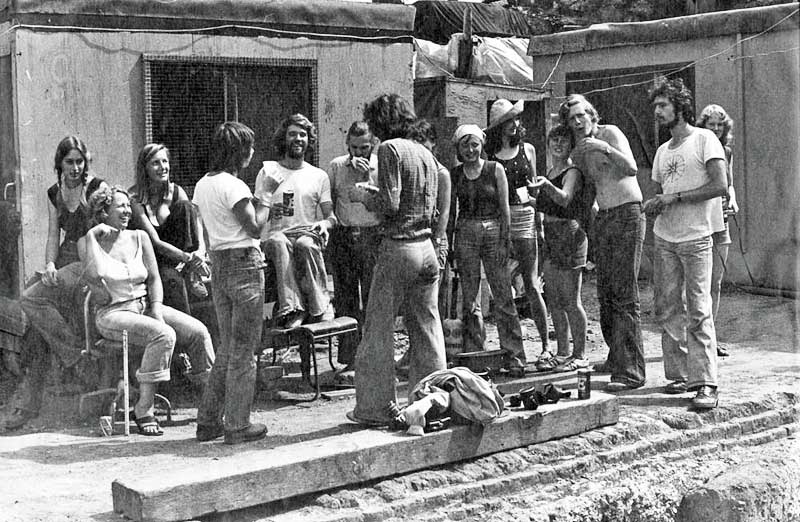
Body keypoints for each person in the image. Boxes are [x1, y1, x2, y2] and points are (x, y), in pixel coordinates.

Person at [79, 186, 215, 435]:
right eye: (120, 206)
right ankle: (144, 408)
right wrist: (92, 237)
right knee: (163, 335)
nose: (127, 211)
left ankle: (213, 405)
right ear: (103, 211)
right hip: (112, 313)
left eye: (128, 206)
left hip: (145, 307)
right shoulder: (88, 242)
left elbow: (153, 279)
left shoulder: (139, 237)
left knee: (199, 332)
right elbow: (95, 276)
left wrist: (156, 308)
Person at [349, 93, 445, 426]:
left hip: (399, 247)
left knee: (378, 330)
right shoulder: (426, 154)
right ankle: (433, 401)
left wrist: (364, 195)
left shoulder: (390, 148)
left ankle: (374, 408)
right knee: (428, 329)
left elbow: (389, 203)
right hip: (427, 248)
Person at [2, 137, 107, 430]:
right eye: (69, 162)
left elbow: (102, 235)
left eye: (79, 161)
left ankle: (30, 402)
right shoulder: (54, 193)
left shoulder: (97, 188)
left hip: (89, 261)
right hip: (64, 261)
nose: (75, 168)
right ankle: (75, 357)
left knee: (32, 303)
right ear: (59, 163)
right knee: (32, 305)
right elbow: (52, 236)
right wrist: (49, 265)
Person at [643, 77, 727, 410]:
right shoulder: (663, 151)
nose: (657, 112)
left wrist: (674, 198)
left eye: (662, 105)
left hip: (696, 238)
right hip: (665, 238)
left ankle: (706, 382)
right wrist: (656, 205)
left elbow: (720, 185)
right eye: (655, 107)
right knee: (667, 309)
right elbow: (661, 192)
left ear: (680, 107)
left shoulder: (705, 139)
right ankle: (679, 376)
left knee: (699, 310)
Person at [559, 94, 646, 390]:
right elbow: (588, 191)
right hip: (605, 219)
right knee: (605, 294)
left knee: (624, 295)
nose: (578, 122)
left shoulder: (609, 133)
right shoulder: (579, 152)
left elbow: (631, 168)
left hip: (628, 214)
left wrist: (603, 147)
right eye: (572, 119)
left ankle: (631, 371)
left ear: (592, 115)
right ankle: (616, 357)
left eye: (582, 115)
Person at [193, 121, 270, 444]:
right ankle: (237, 425)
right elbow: (254, 228)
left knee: (227, 349)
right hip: (244, 265)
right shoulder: (235, 186)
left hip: (220, 265)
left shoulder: (202, 185)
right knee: (243, 351)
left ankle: (208, 421)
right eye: (248, 147)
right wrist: (265, 200)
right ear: (240, 152)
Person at [448, 124, 526, 376]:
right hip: (466, 231)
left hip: (493, 230)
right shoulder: (455, 174)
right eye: (465, 145)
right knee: (470, 298)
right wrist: (449, 244)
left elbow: (505, 208)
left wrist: (506, 240)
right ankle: (475, 355)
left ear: (481, 145)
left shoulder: (495, 169)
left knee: (503, 294)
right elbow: (451, 212)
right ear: (458, 148)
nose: (470, 150)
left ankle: (514, 354)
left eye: (474, 145)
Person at [255, 114, 336, 329]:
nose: (298, 139)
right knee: (279, 242)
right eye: (292, 134)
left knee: (305, 244)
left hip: (306, 232)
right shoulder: (268, 171)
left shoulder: (318, 175)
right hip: (277, 236)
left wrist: (324, 224)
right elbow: (258, 214)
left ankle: (321, 306)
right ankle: (293, 310)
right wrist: (269, 208)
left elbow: (331, 217)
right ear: (284, 138)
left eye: (303, 135)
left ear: (309, 140)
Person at [484, 99, 550, 360]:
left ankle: (545, 345)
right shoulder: (489, 156)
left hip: (525, 216)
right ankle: (513, 350)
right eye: (507, 121)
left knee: (532, 284)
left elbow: (534, 188)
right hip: (500, 219)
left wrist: (540, 222)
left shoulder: (528, 150)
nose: (513, 125)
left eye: (515, 120)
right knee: (502, 288)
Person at [534, 124, 593, 373]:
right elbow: (548, 206)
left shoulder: (572, 171)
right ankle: (562, 352)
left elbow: (565, 198)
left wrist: (545, 185)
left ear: (570, 145)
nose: (557, 144)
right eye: (554, 140)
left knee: (571, 299)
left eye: (563, 141)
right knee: (555, 300)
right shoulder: (551, 170)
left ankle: (580, 355)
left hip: (570, 235)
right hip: (551, 235)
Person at [326, 121, 381, 384]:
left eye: (365, 148)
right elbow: (332, 199)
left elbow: (382, 202)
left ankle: (373, 357)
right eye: (355, 148)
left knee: (372, 298)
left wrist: (366, 177)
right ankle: (349, 357)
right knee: (346, 298)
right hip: (345, 235)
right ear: (348, 145)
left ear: (374, 144)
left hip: (371, 235)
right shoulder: (337, 166)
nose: (360, 153)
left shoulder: (380, 165)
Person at [130, 143, 210, 314]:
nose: (162, 167)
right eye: (156, 163)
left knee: (186, 206)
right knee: (171, 279)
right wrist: (188, 258)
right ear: (144, 168)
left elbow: (197, 222)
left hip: (183, 257)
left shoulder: (176, 191)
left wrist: (200, 253)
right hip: (154, 258)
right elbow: (156, 243)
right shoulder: (136, 199)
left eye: (165, 162)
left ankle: (192, 273)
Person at [697, 104, 739, 357]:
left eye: (719, 125)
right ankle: (696, 340)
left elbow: (729, 185)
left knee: (716, 283)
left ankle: (711, 338)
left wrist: (733, 200)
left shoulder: (726, 151)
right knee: (696, 285)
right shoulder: (697, 148)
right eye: (711, 124)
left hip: (720, 222)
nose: (715, 129)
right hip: (700, 221)